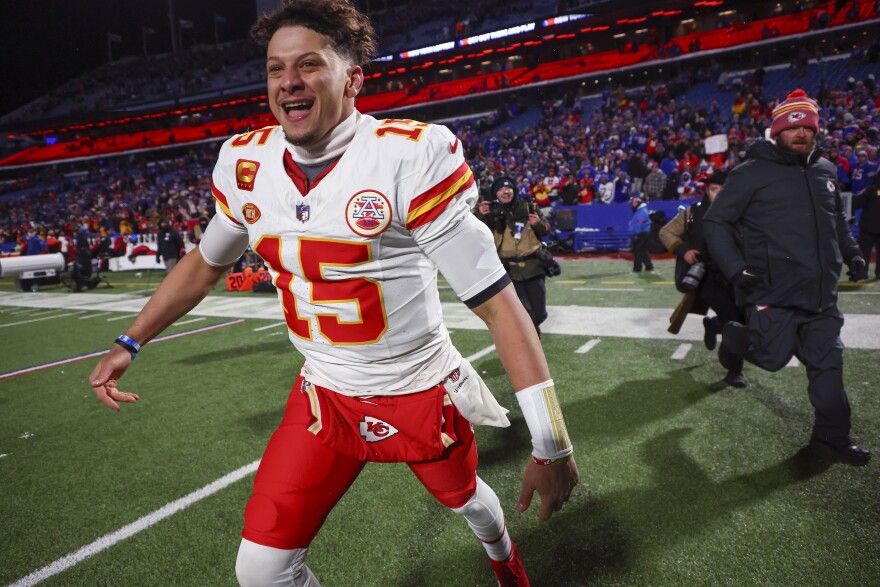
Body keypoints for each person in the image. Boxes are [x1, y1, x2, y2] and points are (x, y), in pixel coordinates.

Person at [87, 2, 579, 586]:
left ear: (353, 78)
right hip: (325, 392)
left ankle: (502, 555)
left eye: (308, 64)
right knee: (261, 570)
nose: (288, 82)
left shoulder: (407, 155)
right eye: (275, 68)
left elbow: (499, 304)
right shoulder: (246, 163)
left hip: (416, 386)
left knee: (466, 500)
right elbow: (204, 263)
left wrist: (552, 445)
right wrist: (130, 340)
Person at [703, 89, 870, 465]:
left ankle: (831, 438)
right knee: (771, 357)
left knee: (829, 368)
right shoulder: (750, 172)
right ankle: (730, 333)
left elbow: (837, 222)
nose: (801, 134)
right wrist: (735, 268)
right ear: (777, 132)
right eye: (793, 128)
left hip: (821, 295)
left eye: (808, 127)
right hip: (772, 290)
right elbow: (716, 222)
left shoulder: (826, 171)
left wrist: (854, 253)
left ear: (816, 130)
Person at [659, 170, 747, 388]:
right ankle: (735, 371)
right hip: (708, 277)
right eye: (714, 189)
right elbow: (666, 233)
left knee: (744, 319)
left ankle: (712, 325)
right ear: (707, 191)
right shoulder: (692, 213)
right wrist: (684, 251)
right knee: (733, 319)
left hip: (736, 276)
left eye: (723, 190)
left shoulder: (743, 213)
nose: (718, 194)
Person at [475, 175, 551, 338]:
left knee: (539, 312)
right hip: (508, 269)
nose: (505, 191)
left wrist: (538, 223)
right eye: (501, 189)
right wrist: (481, 215)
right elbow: (476, 232)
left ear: (514, 190)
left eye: (508, 188)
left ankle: (533, 327)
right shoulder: (490, 211)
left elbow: (545, 229)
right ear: (495, 193)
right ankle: (529, 339)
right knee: (523, 309)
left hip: (533, 266)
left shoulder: (528, 207)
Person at [851, 171, 880, 280]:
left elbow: (857, 204)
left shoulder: (870, 191)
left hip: (868, 227)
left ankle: (862, 272)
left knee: (864, 251)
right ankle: (879, 273)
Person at [628, 196, 654, 272]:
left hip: (642, 233)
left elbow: (639, 223)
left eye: (635, 202)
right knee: (643, 250)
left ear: (639, 203)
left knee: (638, 251)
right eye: (632, 202)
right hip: (643, 233)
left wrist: (636, 234)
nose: (633, 204)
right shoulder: (640, 210)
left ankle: (637, 268)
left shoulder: (641, 211)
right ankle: (649, 266)